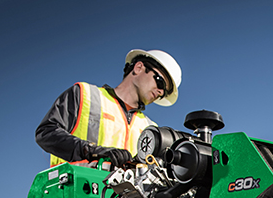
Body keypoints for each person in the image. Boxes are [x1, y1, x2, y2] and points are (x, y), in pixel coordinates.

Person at [35, 49, 182, 167]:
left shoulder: (150, 128)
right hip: (71, 195)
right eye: (160, 82)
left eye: (165, 93)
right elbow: (46, 133)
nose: (160, 92)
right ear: (138, 68)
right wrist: (91, 151)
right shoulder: (86, 95)